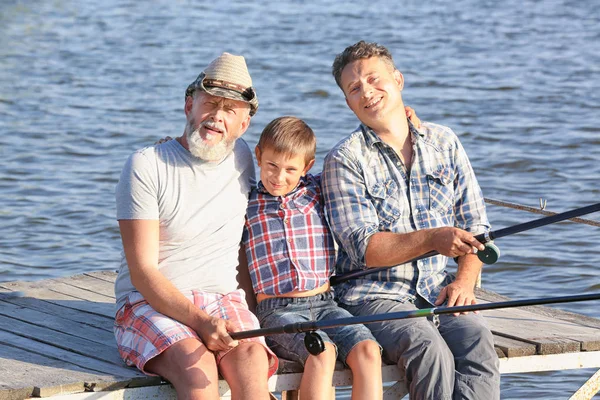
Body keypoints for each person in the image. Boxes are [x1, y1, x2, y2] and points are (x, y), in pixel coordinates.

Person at [321, 41, 500, 400]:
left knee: (478, 341)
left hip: (439, 288)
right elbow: (365, 248)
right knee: (429, 351)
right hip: (373, 296)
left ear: (398, 80)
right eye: (355, 88)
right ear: (347, 101)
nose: (367, 92)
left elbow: (477, 228)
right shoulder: (344, 159)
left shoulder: (444, 142)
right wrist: (434, 239)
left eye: (375, 79)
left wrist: (464, 282)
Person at [113, 52, 278, 400]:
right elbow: (142, 272)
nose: (217, 117)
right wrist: (201, 324)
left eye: (231, 110)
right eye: (210, 104)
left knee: (251, 361)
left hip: (221, 298)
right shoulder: (146, 165)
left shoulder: (245, 158)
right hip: (147, 301)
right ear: (189, 105)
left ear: (244, 125)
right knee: (198, 368)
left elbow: (296, 168)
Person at [243, 116, 383, 400]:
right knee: (322, 352)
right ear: (258, 156)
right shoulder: (245, 200)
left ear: (306, 167)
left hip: (326, 304)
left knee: (368, 351)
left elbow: (361, 163)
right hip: (277, 310)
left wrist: (397, 124)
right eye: (271, 165)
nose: (279, 177)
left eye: (290, 169)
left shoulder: (317, 190)